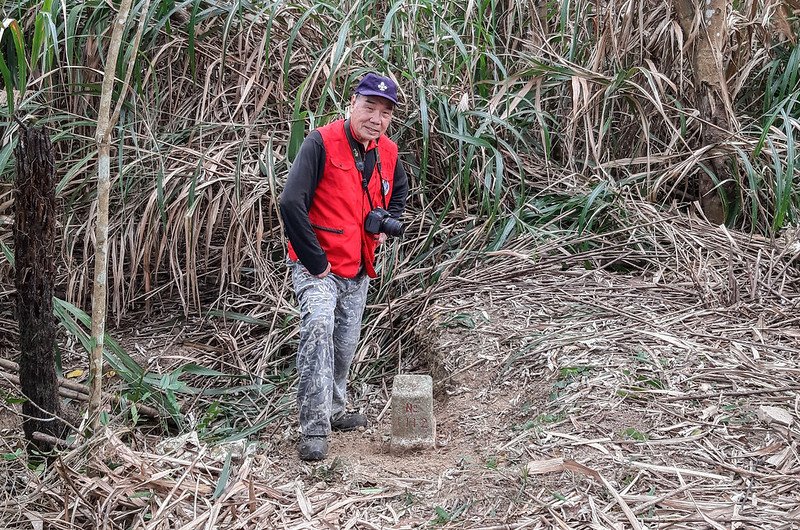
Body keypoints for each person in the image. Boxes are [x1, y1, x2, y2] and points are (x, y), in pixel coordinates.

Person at [279, 72, 409, 461]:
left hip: (359, 265)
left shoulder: (388, 151)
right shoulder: (320, 142)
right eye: (369, 107)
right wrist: (315, 261)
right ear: (352, 102)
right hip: (318, 264)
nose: (376, 118)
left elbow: (399, 190)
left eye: (385, 112)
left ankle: (335, 409)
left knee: (344, 344)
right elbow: (290, 202)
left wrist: (387, 221)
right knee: (318, 327)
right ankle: (314, 428)